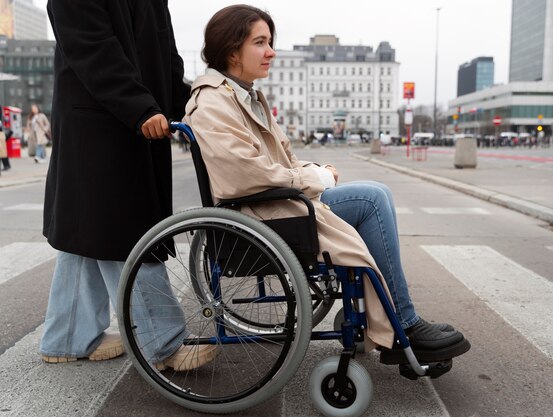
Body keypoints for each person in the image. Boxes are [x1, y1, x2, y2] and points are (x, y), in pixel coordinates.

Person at [183, 4, 470, 364]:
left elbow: (280, 160)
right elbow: (244, 174)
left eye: (270, 41)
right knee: (370, 201)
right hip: (259, 215)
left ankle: (393, 317)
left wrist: (316, 169)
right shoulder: (212, 102)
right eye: (261, 43)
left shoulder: (246, 95)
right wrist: (310, 178)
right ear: (231, 50)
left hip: (275, 203)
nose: (271, 52)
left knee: (377, 192)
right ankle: (404, 322)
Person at [40, 0, 217, 370]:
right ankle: (162, 343)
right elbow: (93, 50)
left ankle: (67, 336)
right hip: (100, 124)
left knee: (86, 230)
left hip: (134, 119)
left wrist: (195, 105)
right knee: (129, 231)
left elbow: (167, 58)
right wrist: (141, 107)